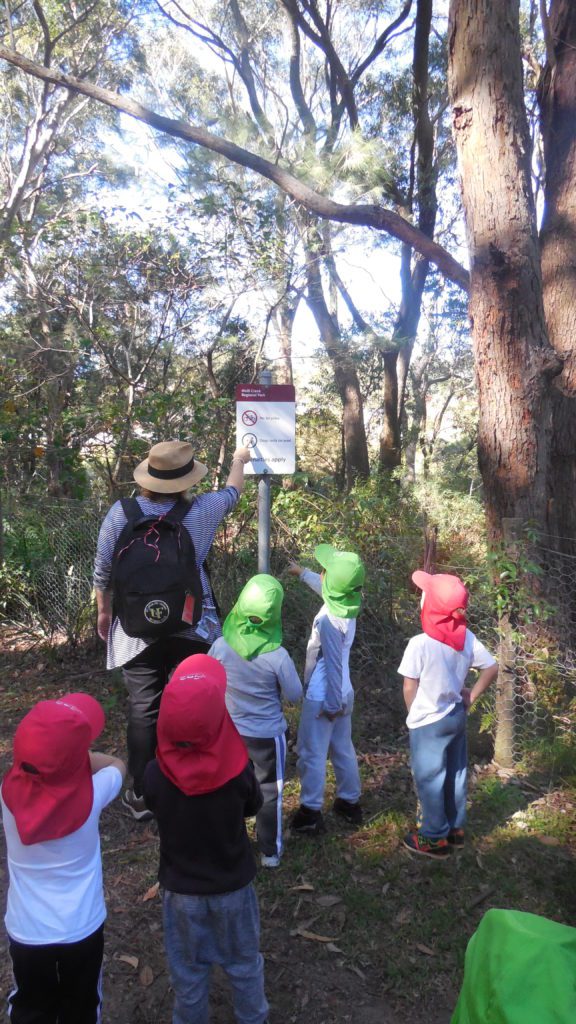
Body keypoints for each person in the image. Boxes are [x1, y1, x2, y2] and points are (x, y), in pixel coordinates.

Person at [93, 439, 251, 820]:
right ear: (185, 480)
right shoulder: (201, 510)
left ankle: (143, 795)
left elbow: (102, 570)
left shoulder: (121, 513)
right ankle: (197, 781)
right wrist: (239, 458)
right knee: (195, 700)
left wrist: (103, 613)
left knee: (144, 707)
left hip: (134, 631)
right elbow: (234, 490)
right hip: (190, 624)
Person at [142, 654, 269, 1024]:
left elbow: (154, 805)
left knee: (188, 970)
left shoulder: (154, 774)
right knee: (244, 962)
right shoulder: (237, 771)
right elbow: (252, 806)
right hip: (232, 886)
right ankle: (252, 1018)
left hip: (181, 891)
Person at [1, 692, 125, 1024]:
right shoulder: (95, 794)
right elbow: (118, 765)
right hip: (82, 928)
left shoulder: (6, 795)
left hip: (28, 930)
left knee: (29, 1007)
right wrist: (82, 757)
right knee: (83, 1006)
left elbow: (24, 770)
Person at [398, 570, 498, 858]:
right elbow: (491, 667)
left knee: (430, 778)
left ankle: (432, 838)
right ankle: (455, 831)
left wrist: (413, 714)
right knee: (455, 772)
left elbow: (409, 685)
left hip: (428, 722)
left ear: (430, 606)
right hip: (455, 715)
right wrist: (471, 695)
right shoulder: (465, 637)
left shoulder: (419, 643)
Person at [209, 574, 302, 868]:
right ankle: (270, 852)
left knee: (229, 787)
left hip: (231, 732)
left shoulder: (222, 646)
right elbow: (295, 695)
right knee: (269, 791)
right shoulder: (278, 656)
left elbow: (210, 680)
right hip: (267, 735)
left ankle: (230, 843)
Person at [288, 544, 366, 835]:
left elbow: (331, 664)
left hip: (324, 696)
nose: (322, 574)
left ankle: (309, 811)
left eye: (324, 572)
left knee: (312, 752)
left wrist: (332, 703)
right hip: (345, 691)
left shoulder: (328, 621)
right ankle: (349, 801)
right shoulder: (349, 602)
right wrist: (303, 573)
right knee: (342, 747)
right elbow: (328, 590)